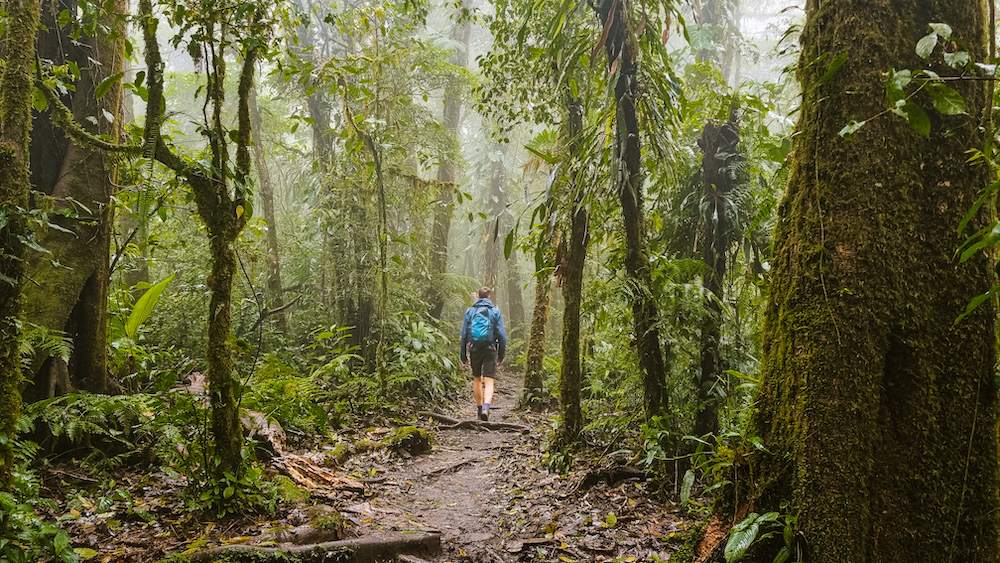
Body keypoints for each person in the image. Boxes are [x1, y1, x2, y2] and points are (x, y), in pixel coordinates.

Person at [460, 286, 506, 421]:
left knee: (477, 379)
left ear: (478, 297)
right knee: (489, 380)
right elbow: (501, 335)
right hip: (491, 349)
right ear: (489, 297)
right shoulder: (495, 312)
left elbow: (464, 335)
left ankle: (479, 409)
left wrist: (463, 355)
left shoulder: (470, 312)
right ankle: (486, 407)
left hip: (474, 349)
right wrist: (501, 354)